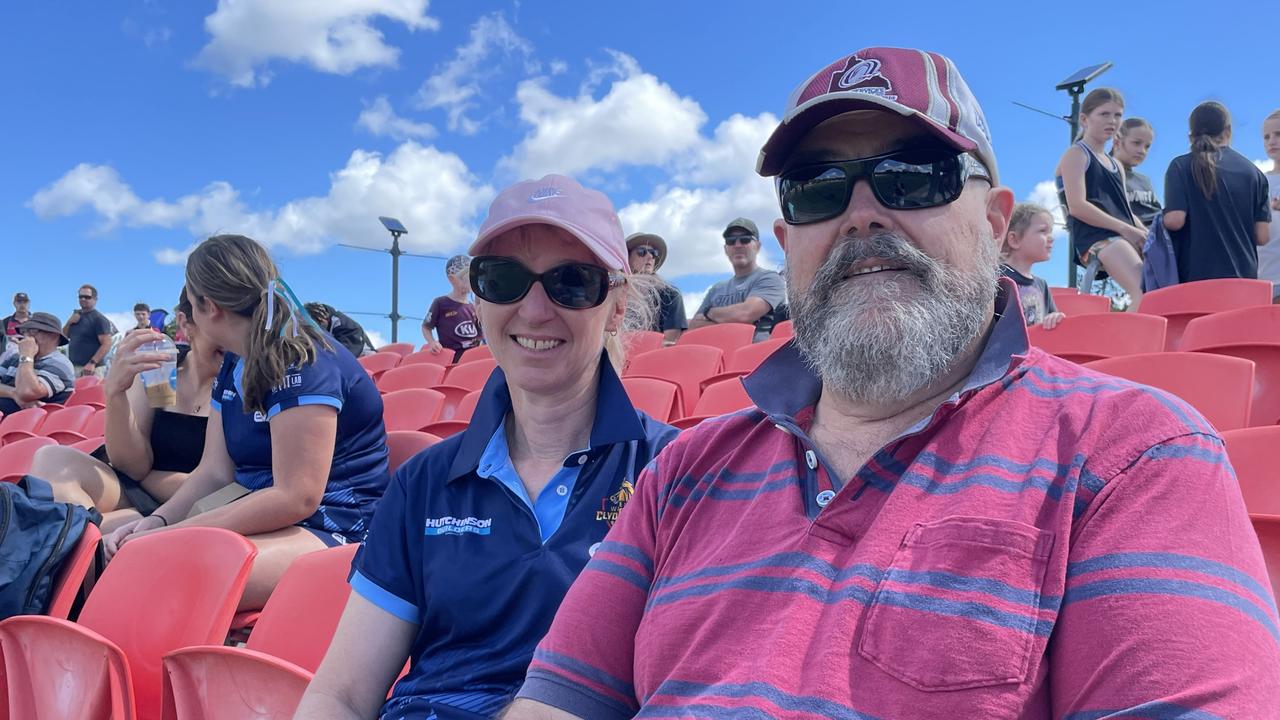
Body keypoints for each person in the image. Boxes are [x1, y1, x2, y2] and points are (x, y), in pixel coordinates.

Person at [506, 47, 1280, 719]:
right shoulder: (683, 470)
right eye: (817, 187)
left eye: (914, 177)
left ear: (994, 222)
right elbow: (558, 701)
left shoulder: (1137, 456)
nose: (862, 214)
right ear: (788, 241)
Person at [295, 175, 678, 720]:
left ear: (616, 306)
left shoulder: (677, 474)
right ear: (477, 298)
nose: (535, 310)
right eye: (504, 279)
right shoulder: (424, 482)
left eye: (572, 282)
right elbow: (342, 694)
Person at [102, 234, 391, 611]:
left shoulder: (304, 362)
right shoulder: (237, 361)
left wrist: (174, 536)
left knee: (167, 572)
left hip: (340, 528)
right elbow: (214, 473)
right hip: (260, 508)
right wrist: (156, 523)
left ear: (210, 307)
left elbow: (297, 496)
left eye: (190, 304)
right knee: (115, 549)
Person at [30, 293, 221, 532]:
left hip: (192, 500)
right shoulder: (161, 367)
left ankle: (77, 550)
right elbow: (133, 466)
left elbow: (219, 484)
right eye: (219, 322)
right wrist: (115, 394)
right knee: (51, 457)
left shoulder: (241, 381)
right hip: (135, 488)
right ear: (185, 323)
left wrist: (148, 479)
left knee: (80, 531)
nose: (232, 337)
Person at [1055, 88, 1146, 306]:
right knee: (1144, 293)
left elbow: (1125, 211)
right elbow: (1077, 206)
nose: (1112, 121)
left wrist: (1147, 233)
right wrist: (1126, 229)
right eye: (1104, 114)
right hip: (1095, 238)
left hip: (1120, 236)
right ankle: (1128, 339)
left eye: (1117, 115)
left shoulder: (1116, 165)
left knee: (1163, 283)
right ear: (1085, 119)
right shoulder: (1076, 155)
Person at [1163, 101, 1271, 282]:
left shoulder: (1180, 166)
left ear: (1191, 136)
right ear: (1228, 131)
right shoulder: (1254, 173)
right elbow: (1262, 236)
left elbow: (1175, 220)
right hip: (1244, 282)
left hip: (1194, 280)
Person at [689, 218, 787, 341]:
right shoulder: (716, 289)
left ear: (757, 246)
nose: (738, 245)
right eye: (731, 241)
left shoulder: (771, 279)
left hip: (756, 355)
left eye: (745, 239)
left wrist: (709, 313)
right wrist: (738, 324)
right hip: (717, 355)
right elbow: (694, 326)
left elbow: (745, 313)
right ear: (726, 249)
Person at [1001, 203, 1065, 328]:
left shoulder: (1042, 285)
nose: (1051, 238)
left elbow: (1052, 323)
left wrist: (1055, 318)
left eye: (1051, 231)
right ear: (1014, 239)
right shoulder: (997, 278)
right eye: (1043, 231)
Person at [0, 311, 75, 415]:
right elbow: (19, 394)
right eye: (25, 331)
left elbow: (27, 392)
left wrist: (27, 356)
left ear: (54, 336)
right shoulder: (15, 358)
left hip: (28, 425)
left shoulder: (60, 364)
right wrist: (13, 393)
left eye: (33, 331)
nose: (27, 337)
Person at [625, 231, 686, 343]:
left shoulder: (669, 293)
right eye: (641, 252)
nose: (649, 256)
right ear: (627, 257)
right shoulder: (612, 289)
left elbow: (671, 340)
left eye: (654, 253)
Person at [422, 254, 483, 362]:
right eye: (464, 278)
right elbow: (426, 327)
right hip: (451, 358)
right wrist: (432, 342)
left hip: (472, 358)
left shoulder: (473, 306)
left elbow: (481, 334)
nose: (469, 282)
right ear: (452, 279)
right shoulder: (440, 303)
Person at [1111, 117, 1162, 227]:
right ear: (1117, 142)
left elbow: (1158, 216)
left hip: (1155, 237)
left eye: (1147, 146)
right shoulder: (1104, 174)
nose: (1142, 151)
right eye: (1136, 143)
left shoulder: (1145, 181)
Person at [63, 284, 114, 377]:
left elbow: (107, 344)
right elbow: (63, 336)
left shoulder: (99, 319)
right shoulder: (75, 316)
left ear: (95, 299)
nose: (83, 299)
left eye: (87, 297)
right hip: (74, 368)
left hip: (92, 369)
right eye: (80, 297)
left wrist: (92, 363)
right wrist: (69, 322)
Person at [1259, 109, 1280, 300]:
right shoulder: (1258, 181)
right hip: (1263, 279)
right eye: (1266, 137)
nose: (1272, 141)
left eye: (1278, 134)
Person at [305, 302, 374, 358]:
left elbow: (345, 355)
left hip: (366, 360)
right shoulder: (329, 328)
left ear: (323, 319)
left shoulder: (349, 329)